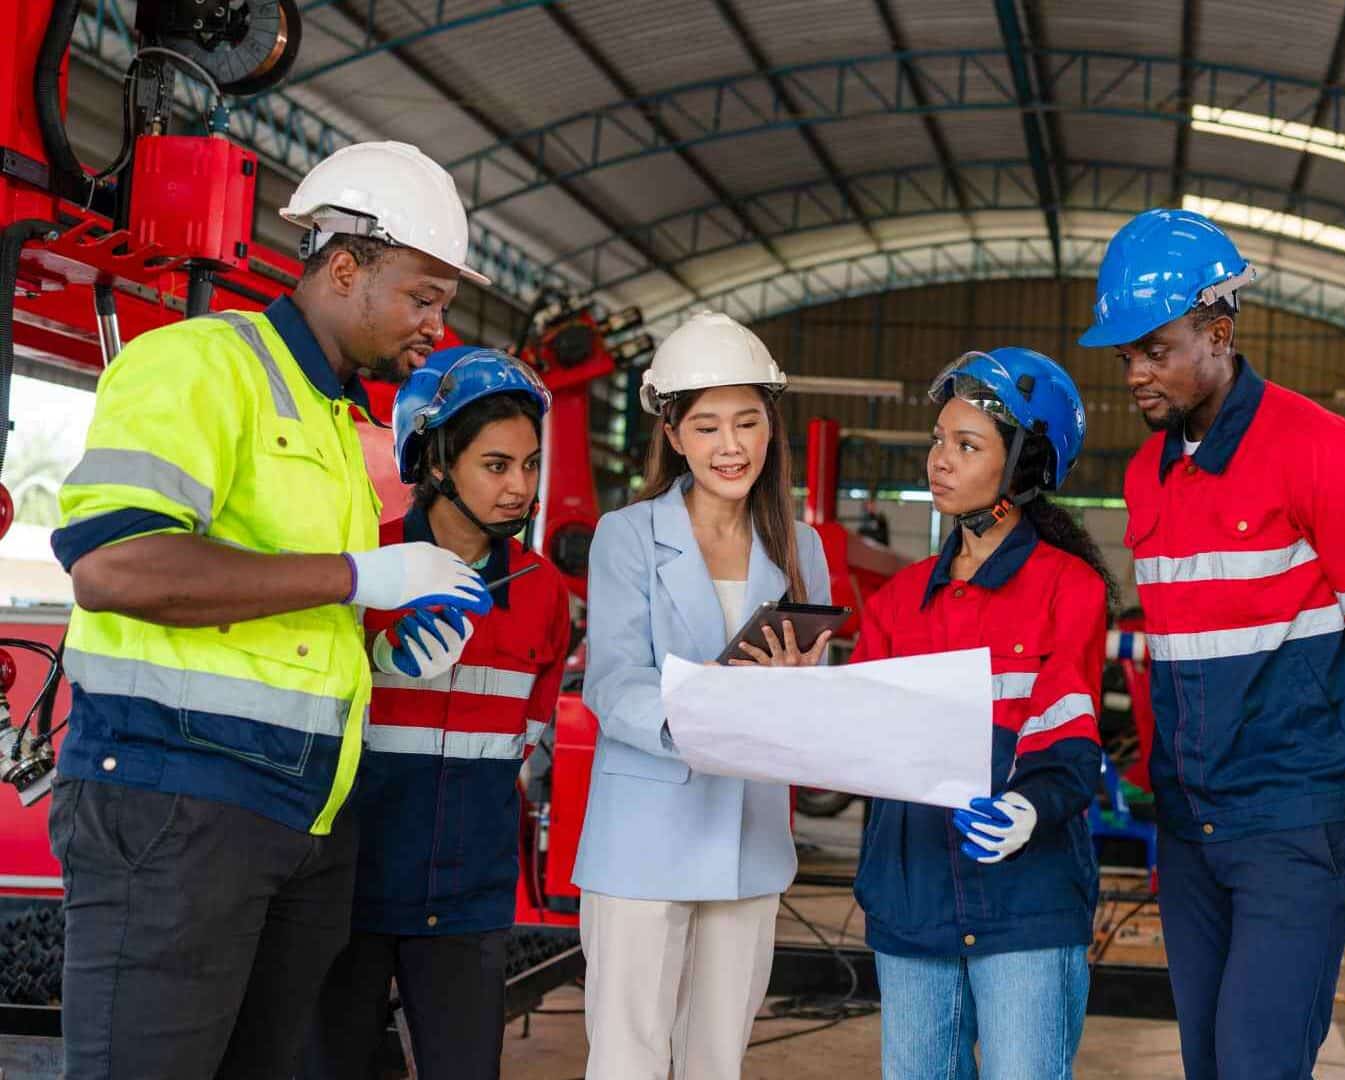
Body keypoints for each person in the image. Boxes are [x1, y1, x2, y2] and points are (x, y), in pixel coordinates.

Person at [48, 140, 495, 1079]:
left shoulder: (334, 421)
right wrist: (355, 576)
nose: (435, 327)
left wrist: (378, 650)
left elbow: (285, 614)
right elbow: (117, 567)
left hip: (302, 819)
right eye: (422, 298)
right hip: (176, 804)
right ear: (346, 269)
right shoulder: (202, 366)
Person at [1078, 208, 1345, 1080]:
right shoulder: (1148, 473)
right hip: (1190, 821)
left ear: (1219, 332)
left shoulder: (1330, 457)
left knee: (1258, 1061)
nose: (1136, 374)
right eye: (1125, 357)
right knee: (1207, 1059)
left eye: (1155, 350)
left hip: (1295, 823)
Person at [573, 310, 833, 1079]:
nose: (731, 446)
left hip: (750, 840)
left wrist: (799, 693)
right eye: (708, 426)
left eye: (748, 423)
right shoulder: (626, 535)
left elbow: (813, 694)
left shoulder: (801, 545)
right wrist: (712, 706)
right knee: (627, 1060)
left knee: (716, 1063)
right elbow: (613, 680)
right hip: (643, 837)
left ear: (771, 427)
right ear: (673, 434)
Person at [301, 346, 573, 1079]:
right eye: (496, 465)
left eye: (530, 464)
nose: (520, 487)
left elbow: (525, 739)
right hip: (348, 887)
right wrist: (371, 657)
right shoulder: (361, 565)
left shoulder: (542, 590)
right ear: (435, 461)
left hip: (468, 898)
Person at [851, 347, 1110, 1080]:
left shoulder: (1070, 589)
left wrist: (1030, 807)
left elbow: (1069, 734)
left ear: (1023, 466)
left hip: (1026, 903)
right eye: (939, 440)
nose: (940, 459)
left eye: (967, 445)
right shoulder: (898, 601)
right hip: (912, 902)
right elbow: (858, 739)